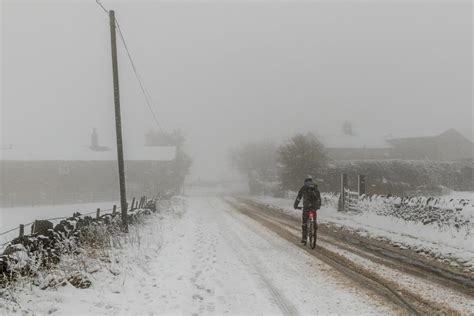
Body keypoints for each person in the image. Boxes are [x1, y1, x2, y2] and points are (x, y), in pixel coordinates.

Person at [294, 175, 321, 244]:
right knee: (314, 218)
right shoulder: (315, 188)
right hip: (314, 206)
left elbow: (299, 197)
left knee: (304, 222)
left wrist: (296, 205)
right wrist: (318, 206)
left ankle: (304, 238)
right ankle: (314, 225)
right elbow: (319, 198)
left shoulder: (303, 188)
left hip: (306, 206)